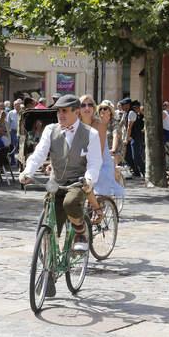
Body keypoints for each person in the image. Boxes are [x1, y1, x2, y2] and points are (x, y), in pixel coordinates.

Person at [19, 95, 102, 253]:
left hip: (77, 182)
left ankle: (80, 231)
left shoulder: (91, 134)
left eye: (64, 111)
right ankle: (51, 263)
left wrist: (89, 179)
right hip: (56, 181)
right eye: (58, 111)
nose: (60, 115)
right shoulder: (50, 130)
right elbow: (39, 154)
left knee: (70, 203)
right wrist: (28, 171)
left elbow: (94, 163)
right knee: (52, 221)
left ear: (76, 112)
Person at [92, 100, 125, 199]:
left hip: (115, 149)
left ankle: (115, 183)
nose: (102, 110)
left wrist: (113, 149)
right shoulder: (97, 122)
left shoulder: (114, 123)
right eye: (101, 108)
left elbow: (115, 136)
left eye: (105, 108)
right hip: (100, 150)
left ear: (110, 111)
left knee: (112, 163)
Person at [127, 100, 146, 178]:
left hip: (136, 138)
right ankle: (139, 171)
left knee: (136, 156)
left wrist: (127, 137)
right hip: (135, 137)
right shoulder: (134, 114)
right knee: (134, 156)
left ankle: (144, 171)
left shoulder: (137, 115)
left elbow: (129, 127)